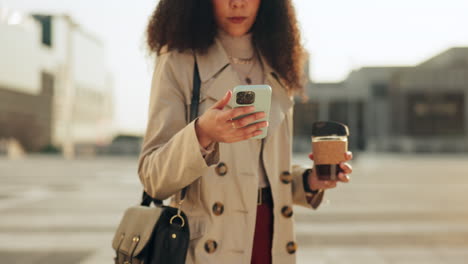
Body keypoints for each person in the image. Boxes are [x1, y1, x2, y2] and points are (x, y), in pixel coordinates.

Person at [138, 0, 353, 263]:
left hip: (272, 242)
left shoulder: (278, 60)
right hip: (209, 247)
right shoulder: (178, 60)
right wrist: (202, 133)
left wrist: (308, 181)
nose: (237, 3)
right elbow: (153, 177)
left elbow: (263, 173)